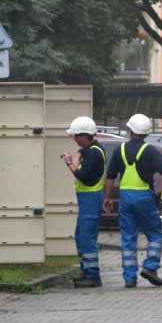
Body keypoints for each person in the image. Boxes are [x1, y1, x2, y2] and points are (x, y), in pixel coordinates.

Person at [102, 113, 162, 288]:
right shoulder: (149, 150)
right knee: (155, 234)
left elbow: (110, 176)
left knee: (128, 237)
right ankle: (150, 267)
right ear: (147, 133)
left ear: (130, 129)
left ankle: (129, 278)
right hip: (144, 197)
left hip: (125, 197)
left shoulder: (120, 150)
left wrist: (108, 198)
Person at [62, 116, 106, 288]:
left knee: (87, 238)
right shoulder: (91, 150)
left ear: (85, 136)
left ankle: (93, 275)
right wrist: (78, 155)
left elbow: (83, 176)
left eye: (76, 135)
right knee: (80, 235)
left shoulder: (94, 152)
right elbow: (83, 155)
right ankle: (86, 271)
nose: (74, 139)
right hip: (87, 200)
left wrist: (69, 163)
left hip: (91, 199)